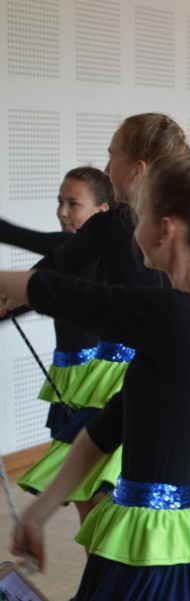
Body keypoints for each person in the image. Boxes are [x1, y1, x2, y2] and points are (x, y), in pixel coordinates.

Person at [8, 153, 190, 599]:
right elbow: (108, 426)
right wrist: (39, 510)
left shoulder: (181, 317)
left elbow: (65, 293)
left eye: (138, 217)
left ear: (165, 228)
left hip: (155, 555)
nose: (132, 228)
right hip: (156, 540)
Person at [15, 114, 190, 501]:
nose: (107, 167)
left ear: (137, 169)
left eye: (112, 155)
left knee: (110, 486)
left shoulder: (180, 308)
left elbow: (64, 284)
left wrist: (23, 290)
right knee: (109, 479)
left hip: (127, 381)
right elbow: (59, 277)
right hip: (139, 380)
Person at [0, 167, 116, 524]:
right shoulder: (61, 257)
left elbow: (15, 236)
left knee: (102, 492)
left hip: (98, 384)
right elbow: (24, 295)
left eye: (73, 204)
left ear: (102, 211)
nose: (62, 212)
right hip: (66, 380)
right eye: (60, 202)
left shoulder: (94, 252)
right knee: (82, 493)